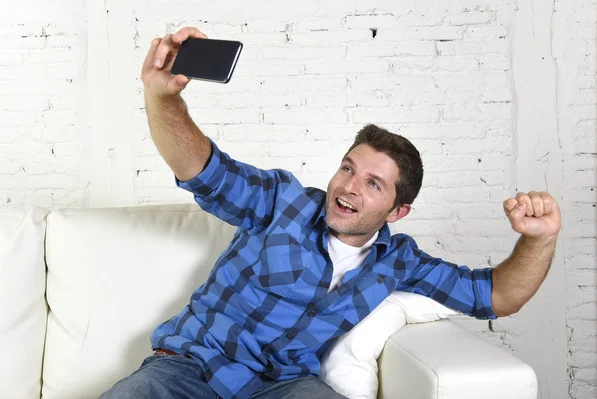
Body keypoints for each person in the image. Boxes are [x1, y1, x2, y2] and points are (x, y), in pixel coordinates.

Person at [100, 27, 561, 399]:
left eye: (372, 184)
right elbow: (204, 170)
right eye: (348, 168)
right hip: (189, 371)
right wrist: (163, 98)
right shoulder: (282, 201)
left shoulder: (399, 262)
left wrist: (539, 238)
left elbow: (498, 295)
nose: (348, 186)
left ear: (398, 212)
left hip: (284, 387)